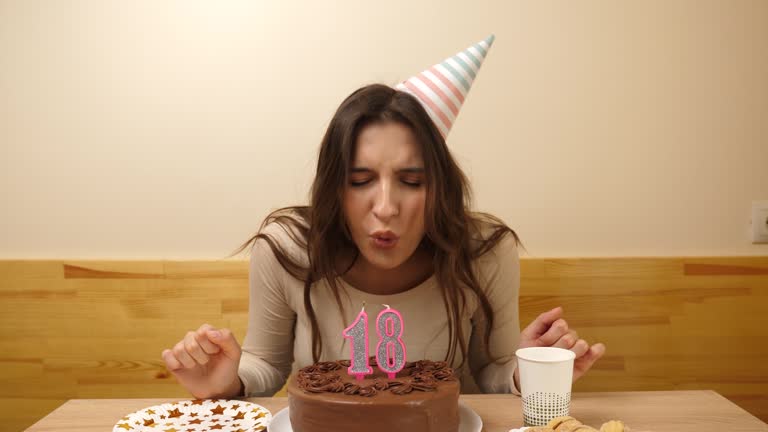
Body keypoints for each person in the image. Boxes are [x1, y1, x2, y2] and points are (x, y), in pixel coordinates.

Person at [161, 36, 605, 400]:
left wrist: (522, 372)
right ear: (335, 187)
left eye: (412, 180)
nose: (386, 206)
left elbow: (490, 369)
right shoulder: (287, 250)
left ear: (440, 189)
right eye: (361, 179)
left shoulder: (484, 251)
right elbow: (269, 363)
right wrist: (230, 380)